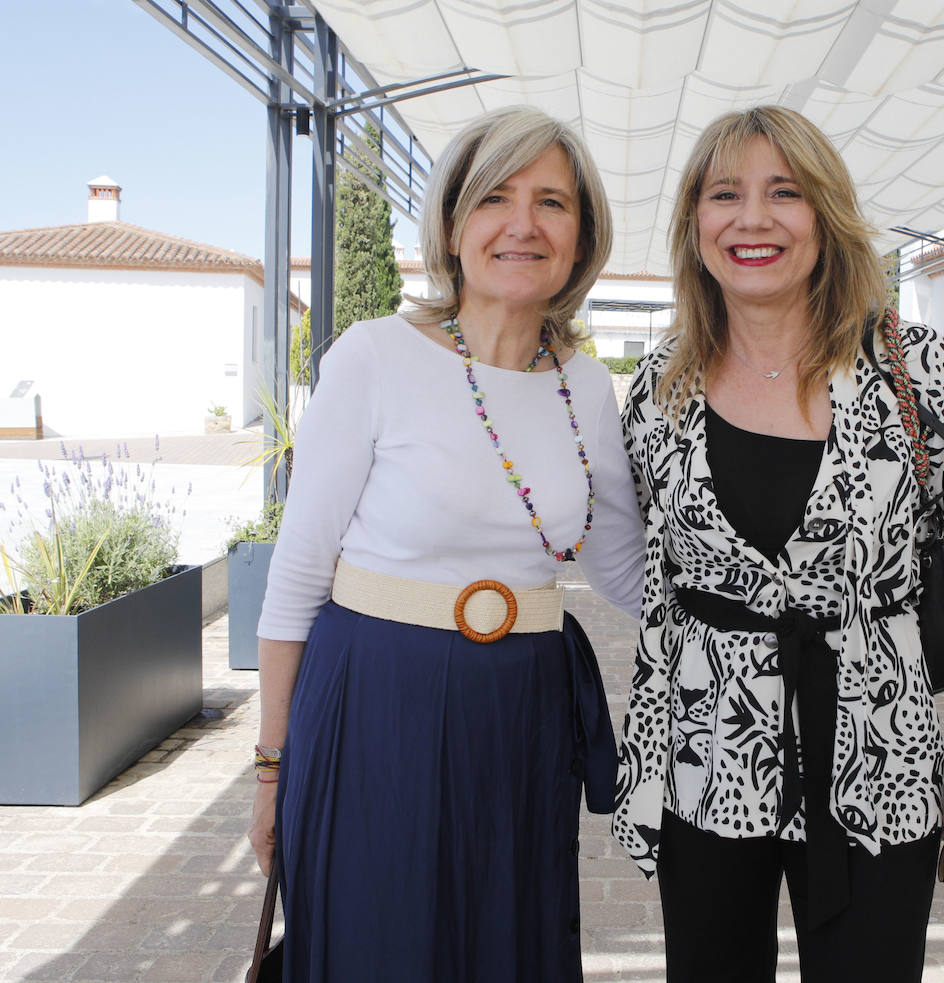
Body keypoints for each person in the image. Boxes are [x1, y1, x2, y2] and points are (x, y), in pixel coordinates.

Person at [613, 105, 944, 982]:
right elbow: (646, 566)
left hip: (879, 744)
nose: (752, 219)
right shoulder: (660, 384)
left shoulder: (917, 368)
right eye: (724, 194)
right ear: (694, 222)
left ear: (826, 213)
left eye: (784, 192)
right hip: (708, 750)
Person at [246, 107, 645, 982]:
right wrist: (271, 767)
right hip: (376, 703)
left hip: (522, 714)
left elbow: (622, 566)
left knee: (506, 946)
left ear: (582, 238)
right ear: (454, 225)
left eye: (551, 202)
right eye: (495, 197)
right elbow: (298, 574)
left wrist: (768, 615)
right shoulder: (374, 356)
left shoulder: (586, 385)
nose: (523, 223)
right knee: (380, 945)